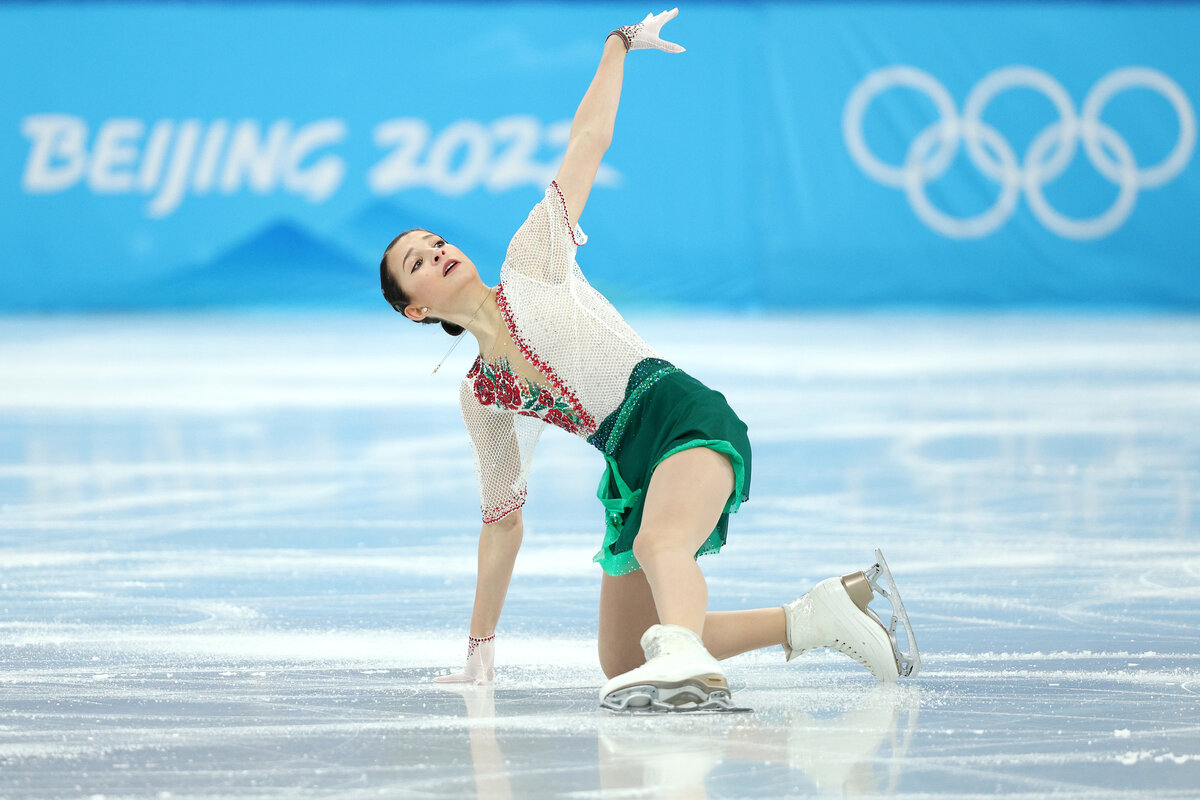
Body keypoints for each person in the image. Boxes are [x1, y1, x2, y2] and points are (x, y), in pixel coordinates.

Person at [379, 8, 919, 713]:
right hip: (630, 462)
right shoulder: (484, 397)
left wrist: (618, 44)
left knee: (665, 543)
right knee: (624, 653)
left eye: (438, 239)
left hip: (677, 413)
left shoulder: (532, 261)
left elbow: (589, 138)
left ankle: (689, 664)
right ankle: (818, 618)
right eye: (418, 261)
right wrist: (479, 653)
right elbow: (501, 524)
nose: (440, 251)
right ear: (415, 309)